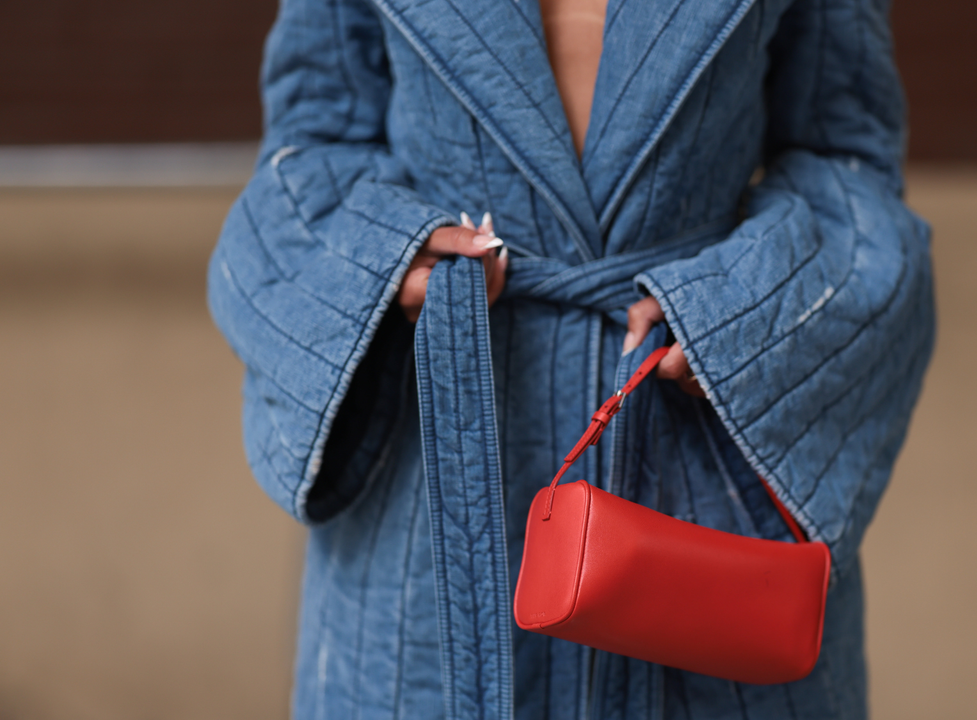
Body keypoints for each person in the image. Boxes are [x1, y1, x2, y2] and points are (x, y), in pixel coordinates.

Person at [207, 0, 935, 717]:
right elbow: (314, 145)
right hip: (437, 451)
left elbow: (846, 162)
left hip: (695, 434)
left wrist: (740, 311)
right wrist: (388, 255)